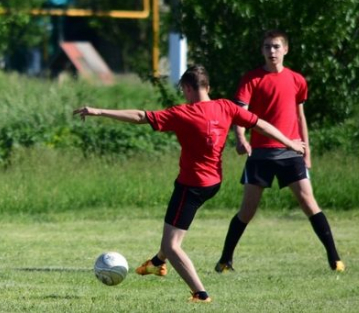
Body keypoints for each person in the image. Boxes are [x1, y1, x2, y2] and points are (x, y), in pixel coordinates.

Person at [74, 65, 305, 304]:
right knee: (172, 232)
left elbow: (141, 117)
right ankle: (156, 263)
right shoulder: (226, 106)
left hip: (190, 187)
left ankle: (200, 293)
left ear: (186, 88)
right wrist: (290, 143)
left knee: (172, 245)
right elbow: (260, 124)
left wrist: (99, 111)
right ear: (208, 87)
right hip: (213, 183)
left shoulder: (183, 113)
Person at [215, 30, 345, 273]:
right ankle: (225, 260)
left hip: (291, 153)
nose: (271, 51)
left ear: (285, 49)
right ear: (262, 50)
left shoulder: (297, 80)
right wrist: (241, 138)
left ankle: (335, 259)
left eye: (276, 46)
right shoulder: (251, 79)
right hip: (261, 154)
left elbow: (300, 116)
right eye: (267, 47)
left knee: (309, 203)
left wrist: (308, 151)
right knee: (247, 211)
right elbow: (239, 114)